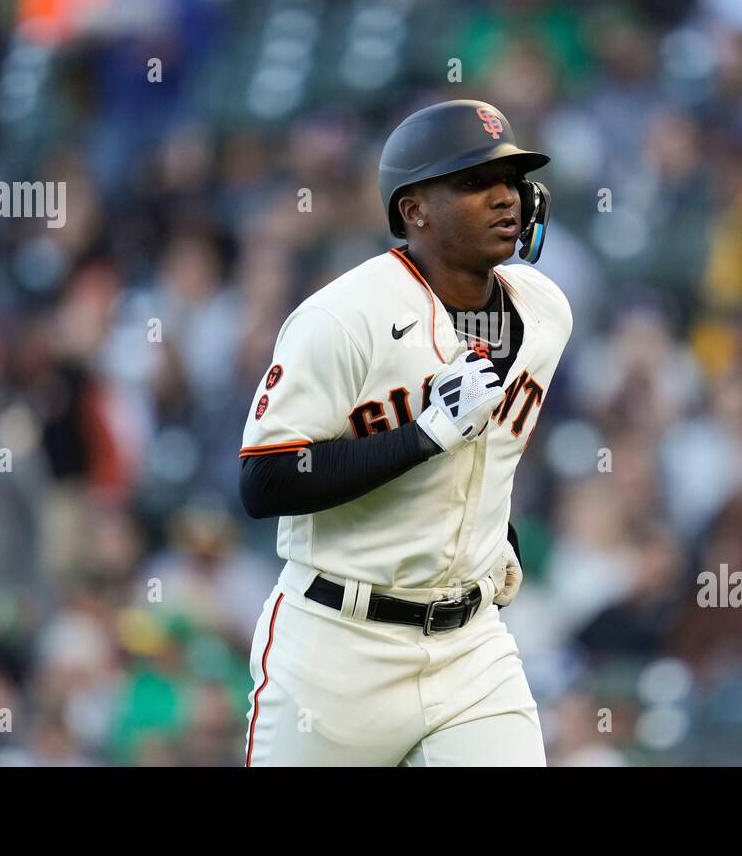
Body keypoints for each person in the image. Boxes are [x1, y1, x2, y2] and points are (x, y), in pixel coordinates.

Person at [238, 99, 571, 765]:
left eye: (511, 179)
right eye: (476, 182)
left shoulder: (545, 310)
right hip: (337, 647)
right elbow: (265, 478)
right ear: (414, 209)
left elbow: (486, 457)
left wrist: (489, 534)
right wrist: (421, 435)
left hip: (471, 647)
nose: (505, 197)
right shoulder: (341, 318)